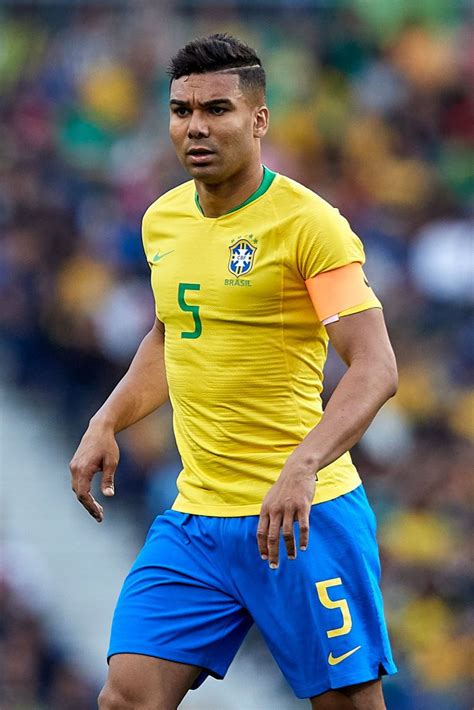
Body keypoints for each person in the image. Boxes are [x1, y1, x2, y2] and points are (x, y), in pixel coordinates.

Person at [70, 34, 398, 710]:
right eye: (180, 109)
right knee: (125, 698)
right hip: (197, 519)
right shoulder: (162, 221)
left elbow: (375, 367)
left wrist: (304, 465)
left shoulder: (311, 226)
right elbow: (171, 335)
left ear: (259, 119)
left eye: (216, 108)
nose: (195, 126)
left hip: (305, 517)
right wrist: (107, 419)